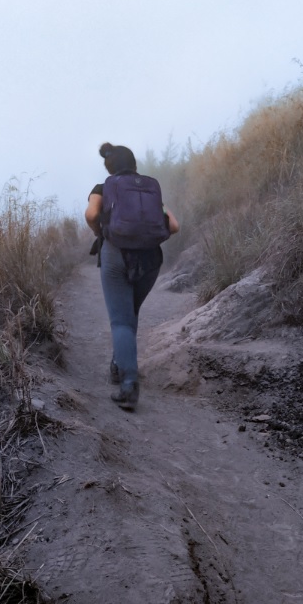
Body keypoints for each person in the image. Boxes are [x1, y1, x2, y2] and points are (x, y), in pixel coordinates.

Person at [85, 142, 179, 411]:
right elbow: (173, 225)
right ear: (135, 164)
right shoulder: (147, 191)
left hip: (116, 257)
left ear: (109, 167)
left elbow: (91, 214)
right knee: (130, 314)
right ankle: (119, 365)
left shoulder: (103, 188)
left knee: (121, 321)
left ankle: (128, 385)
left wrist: (99, 232)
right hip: (150, 260)